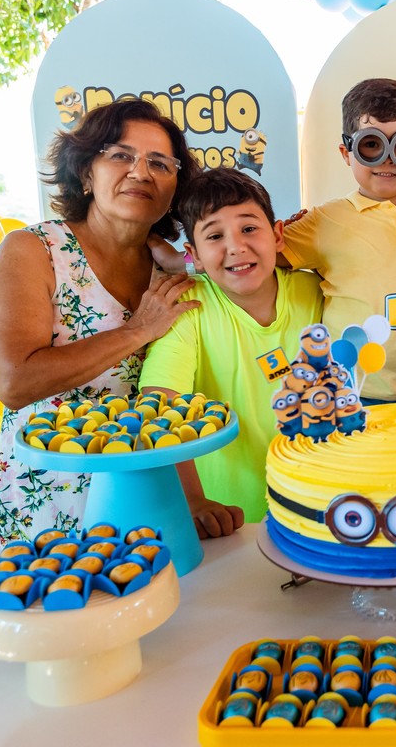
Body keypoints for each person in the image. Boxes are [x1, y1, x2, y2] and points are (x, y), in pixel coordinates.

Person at [0, 99, 200, 551]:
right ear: (86, 172)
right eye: (121, 155)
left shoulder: (171, 271)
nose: (141, 172)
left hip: (146, 493)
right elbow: (15, 381)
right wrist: (137, 330)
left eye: (160, 163)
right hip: (51, 497)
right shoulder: (32, 250)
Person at [138, 168, 324, 538]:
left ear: (278, 235)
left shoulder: (315, 290)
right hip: (229, 522)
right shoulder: (187, 306)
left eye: (249, 228)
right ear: (194, 255)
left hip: (318, 508)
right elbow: (158, 404)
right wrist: (192, 501)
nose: (236, 246)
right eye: (215, 236)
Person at [280, 78, 396, 404]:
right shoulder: (324, 220)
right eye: (371, 145)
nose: (387, 159)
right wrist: (177, 257)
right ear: (346, 152)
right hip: (351, 391)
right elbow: (253, 254)